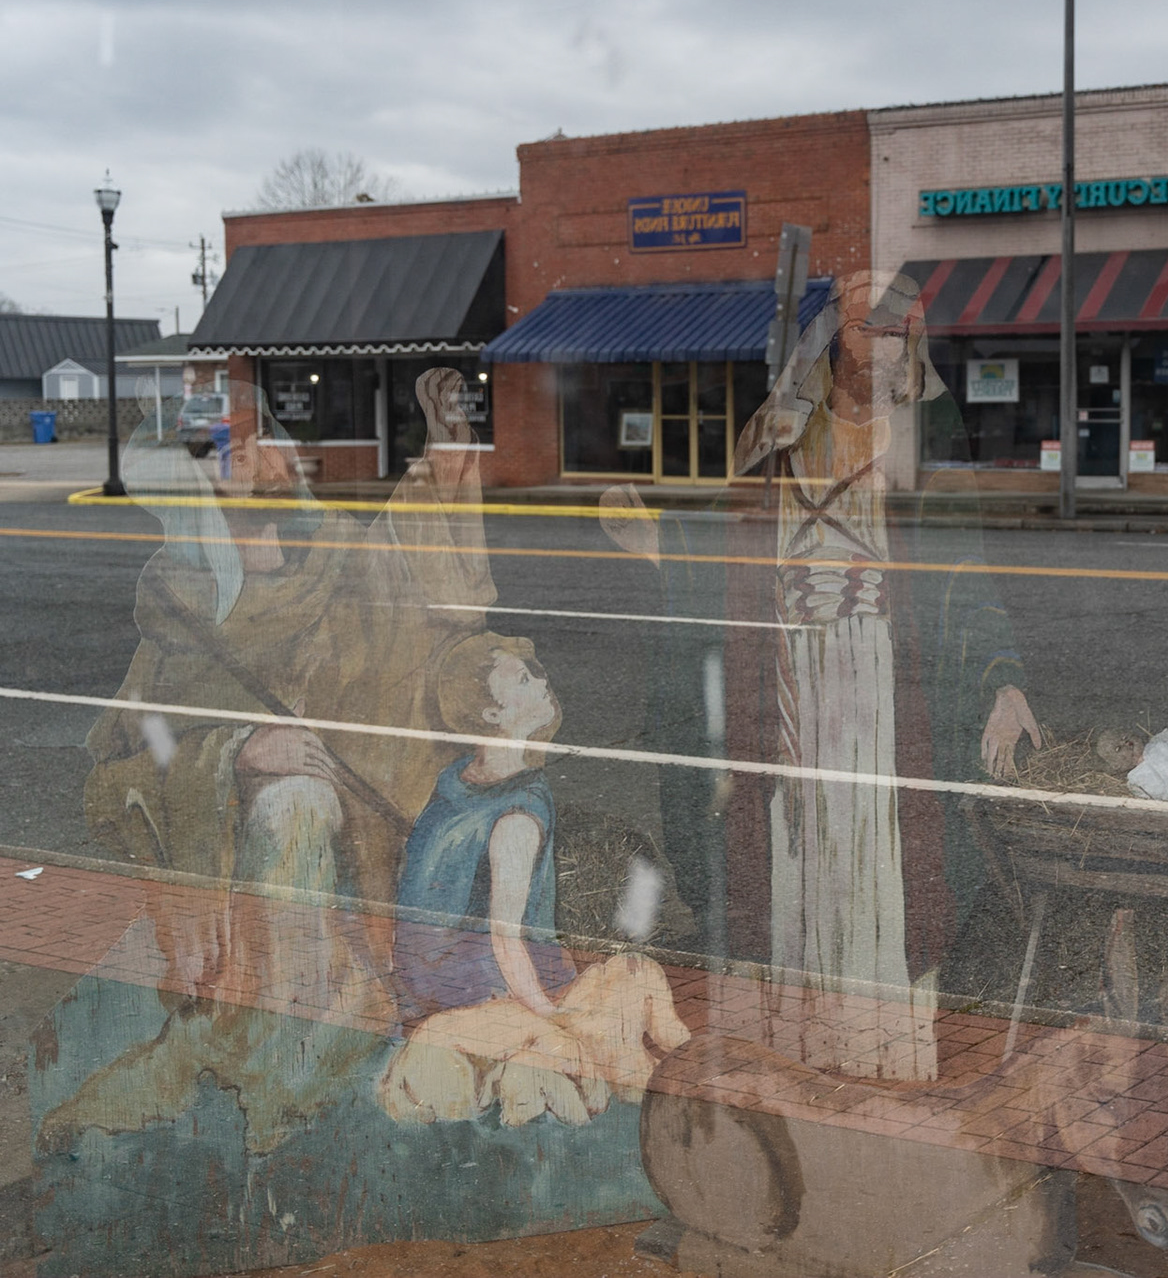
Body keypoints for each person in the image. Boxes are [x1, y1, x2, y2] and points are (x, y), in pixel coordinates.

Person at [42, 369, 499, 1154]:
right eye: (236, 452)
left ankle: (317, 1050)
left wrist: (448, 453)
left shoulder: (340, 563)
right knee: (294, 802)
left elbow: (431, 587)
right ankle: (276, 1056)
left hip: (369, 834)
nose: (267, 458)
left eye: (270, 443)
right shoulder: (185, 610)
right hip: (262, 861)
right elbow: (117, 773)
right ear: (204, 489)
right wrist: (234, 754)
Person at [605, 270, 1042, 1081]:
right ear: (835, 335)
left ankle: (877, 1056)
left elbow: (961, 566)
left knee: (878, 852)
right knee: (791, 850)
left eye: (894, 329)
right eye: (864, 326)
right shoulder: (779, 429)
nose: (879, 344)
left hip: (881, 684)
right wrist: (658, 540)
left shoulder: (922, 438)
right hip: (789, 676)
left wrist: (1001, 678)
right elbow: (729, 541)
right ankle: (795, 1049)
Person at [379, 635, 689, 1128]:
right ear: (493, 716)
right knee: (604, 1030)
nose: (542, 679)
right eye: (524, 678)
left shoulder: (461, 780)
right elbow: (505, 938)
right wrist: (549, 1011)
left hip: (449, 988)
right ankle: (671, 1093)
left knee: (636, 973)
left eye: (534, 671)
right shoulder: (516, 817)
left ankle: (686, 1066)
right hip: (480, 996)